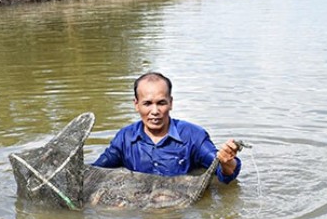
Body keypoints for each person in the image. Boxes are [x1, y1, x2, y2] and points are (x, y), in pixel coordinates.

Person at [93, 72, 241, 183]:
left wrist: (227, 163)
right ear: (136, 105)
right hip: (140, 210)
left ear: (170, 103)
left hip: (180, 209)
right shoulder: (125, 138)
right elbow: (95, 171)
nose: (155, 111)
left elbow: (223, 173)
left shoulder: (193, 136)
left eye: (161, 103)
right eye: (147, 103)